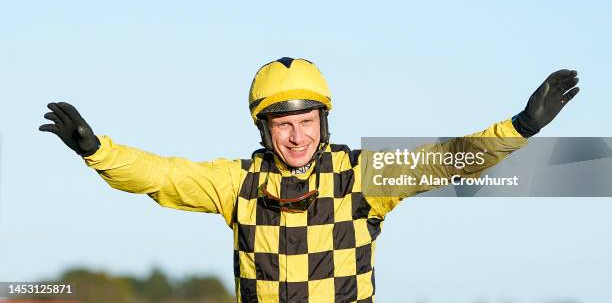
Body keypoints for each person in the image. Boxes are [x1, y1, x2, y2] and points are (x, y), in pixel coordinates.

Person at [40, 57, 579, 303]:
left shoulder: (366, 176)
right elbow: (162, 176)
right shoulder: (236, 184)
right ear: (264, 127)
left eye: (306, 122)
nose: (296, 137)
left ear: (323, 122)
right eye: (283, 124)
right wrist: (97, 149)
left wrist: (521, 127)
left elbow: (447, 158)